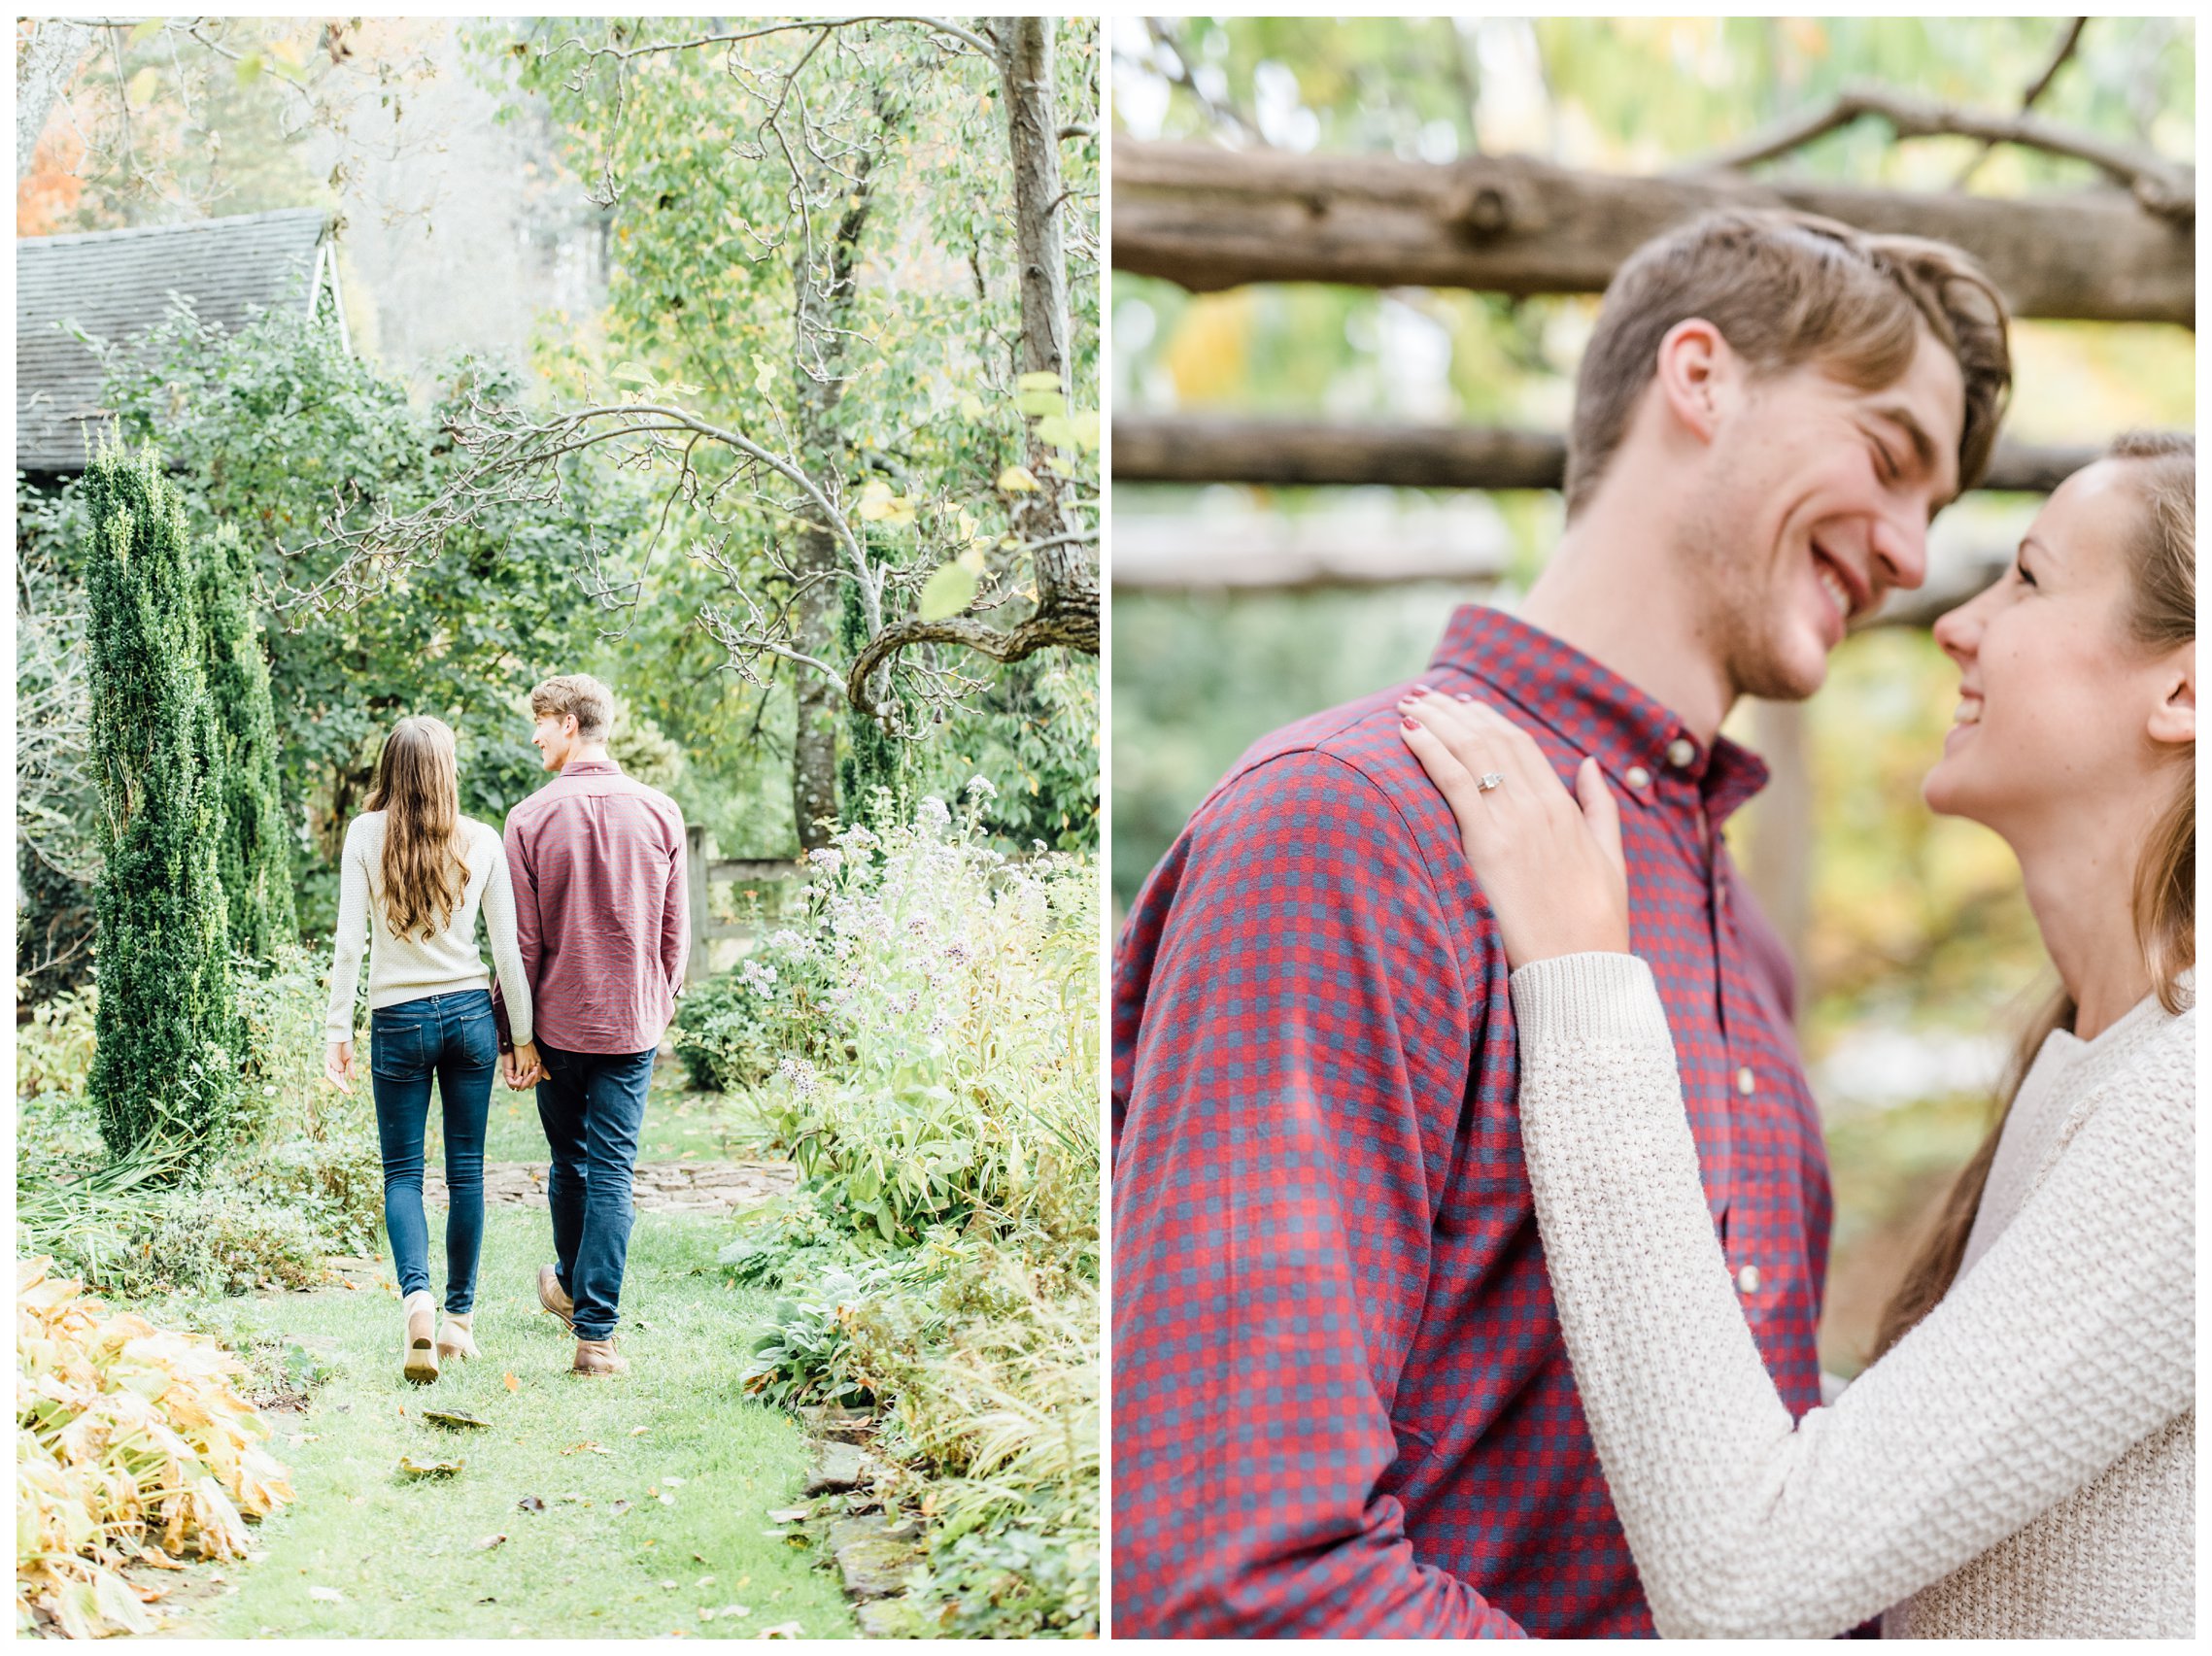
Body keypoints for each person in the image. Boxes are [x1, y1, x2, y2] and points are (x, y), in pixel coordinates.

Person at [1110, 208, 2012, 1636]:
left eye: (1939, 511)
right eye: (1888, 457)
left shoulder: (1744, 945)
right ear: (1699, 378)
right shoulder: (1348, 829)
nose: (1910, 554)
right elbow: (1238, 1584)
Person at [1397, 432, 2193, 1639]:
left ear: (2185, 692)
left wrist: (1582, 983)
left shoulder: (2185, 1110)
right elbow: (1899, 1502)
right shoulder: (2095, 1061)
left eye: (2026, 577)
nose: (1955, 623)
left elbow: (1748, 1579)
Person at [325, 715, 531, 1385]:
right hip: (470, 1016)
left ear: (389, 766)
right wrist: (520, 1035)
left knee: (404, 1174)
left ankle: (417, 1302)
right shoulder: (482, 838)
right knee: (467, 1172)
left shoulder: (364, 833)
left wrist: (336, 1030)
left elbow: (349, 943)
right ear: (446, 770)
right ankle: (458, 1324)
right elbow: (508, 951)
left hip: (397, 1019)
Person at [493, 673, 689, 1377]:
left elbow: (521, 945)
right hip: (630, 1023)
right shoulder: (661, 812)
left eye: (539, 721)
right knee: (609, 1169)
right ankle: (593, 1333)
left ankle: (578, 1294)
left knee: (572, 1163)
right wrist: (656, 1005)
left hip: (556, 1025)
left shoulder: (528, 819)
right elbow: (676, 935)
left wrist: (513, 1035)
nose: (535, 735)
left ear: (569, 723)